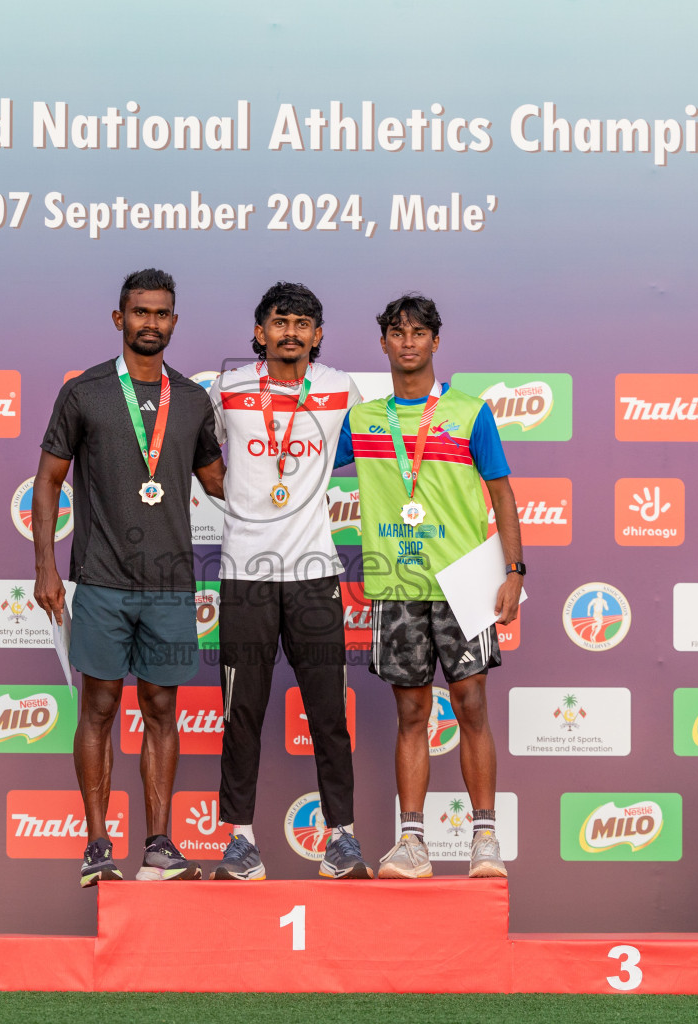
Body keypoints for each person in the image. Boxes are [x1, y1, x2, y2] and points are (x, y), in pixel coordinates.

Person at [32, 268, 226, 887]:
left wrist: (293, 475)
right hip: (102, 580)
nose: (151, 322)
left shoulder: (193, 400)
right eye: (139, 312)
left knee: (163, 709)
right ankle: (96, 846)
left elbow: (221, 483)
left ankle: (159, 847)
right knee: (99, 707)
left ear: (174, 321)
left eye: (161, 313)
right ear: (119, 320)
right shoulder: (84, 393)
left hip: (171, 586)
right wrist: (45, 567)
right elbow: (47, 481)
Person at [333, 293, 524, 879]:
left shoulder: (470, 412)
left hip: (464, 581)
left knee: (471, 706)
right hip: (396, 584)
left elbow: (502, 494)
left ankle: (484, 839)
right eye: (397, 332)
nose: (408, 342)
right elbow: (303, 465)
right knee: (411, 713)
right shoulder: (362, 420)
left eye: (419, 333)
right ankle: (412, 843)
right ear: (384, 343)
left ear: (436, 342)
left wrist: (513, 571)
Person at [206, 282, 369, 881]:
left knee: (328, 711)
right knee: (242, 709)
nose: (291, 333)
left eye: (303, 324)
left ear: (318, 336)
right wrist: (246, 501)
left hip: (315, 572)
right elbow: (199, 457)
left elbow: (381, 446)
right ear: (260, 331)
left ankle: (343, 839)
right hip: (244, 572)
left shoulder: (338, 387)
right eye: (280, 322)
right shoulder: (226, 389)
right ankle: (239, 841)